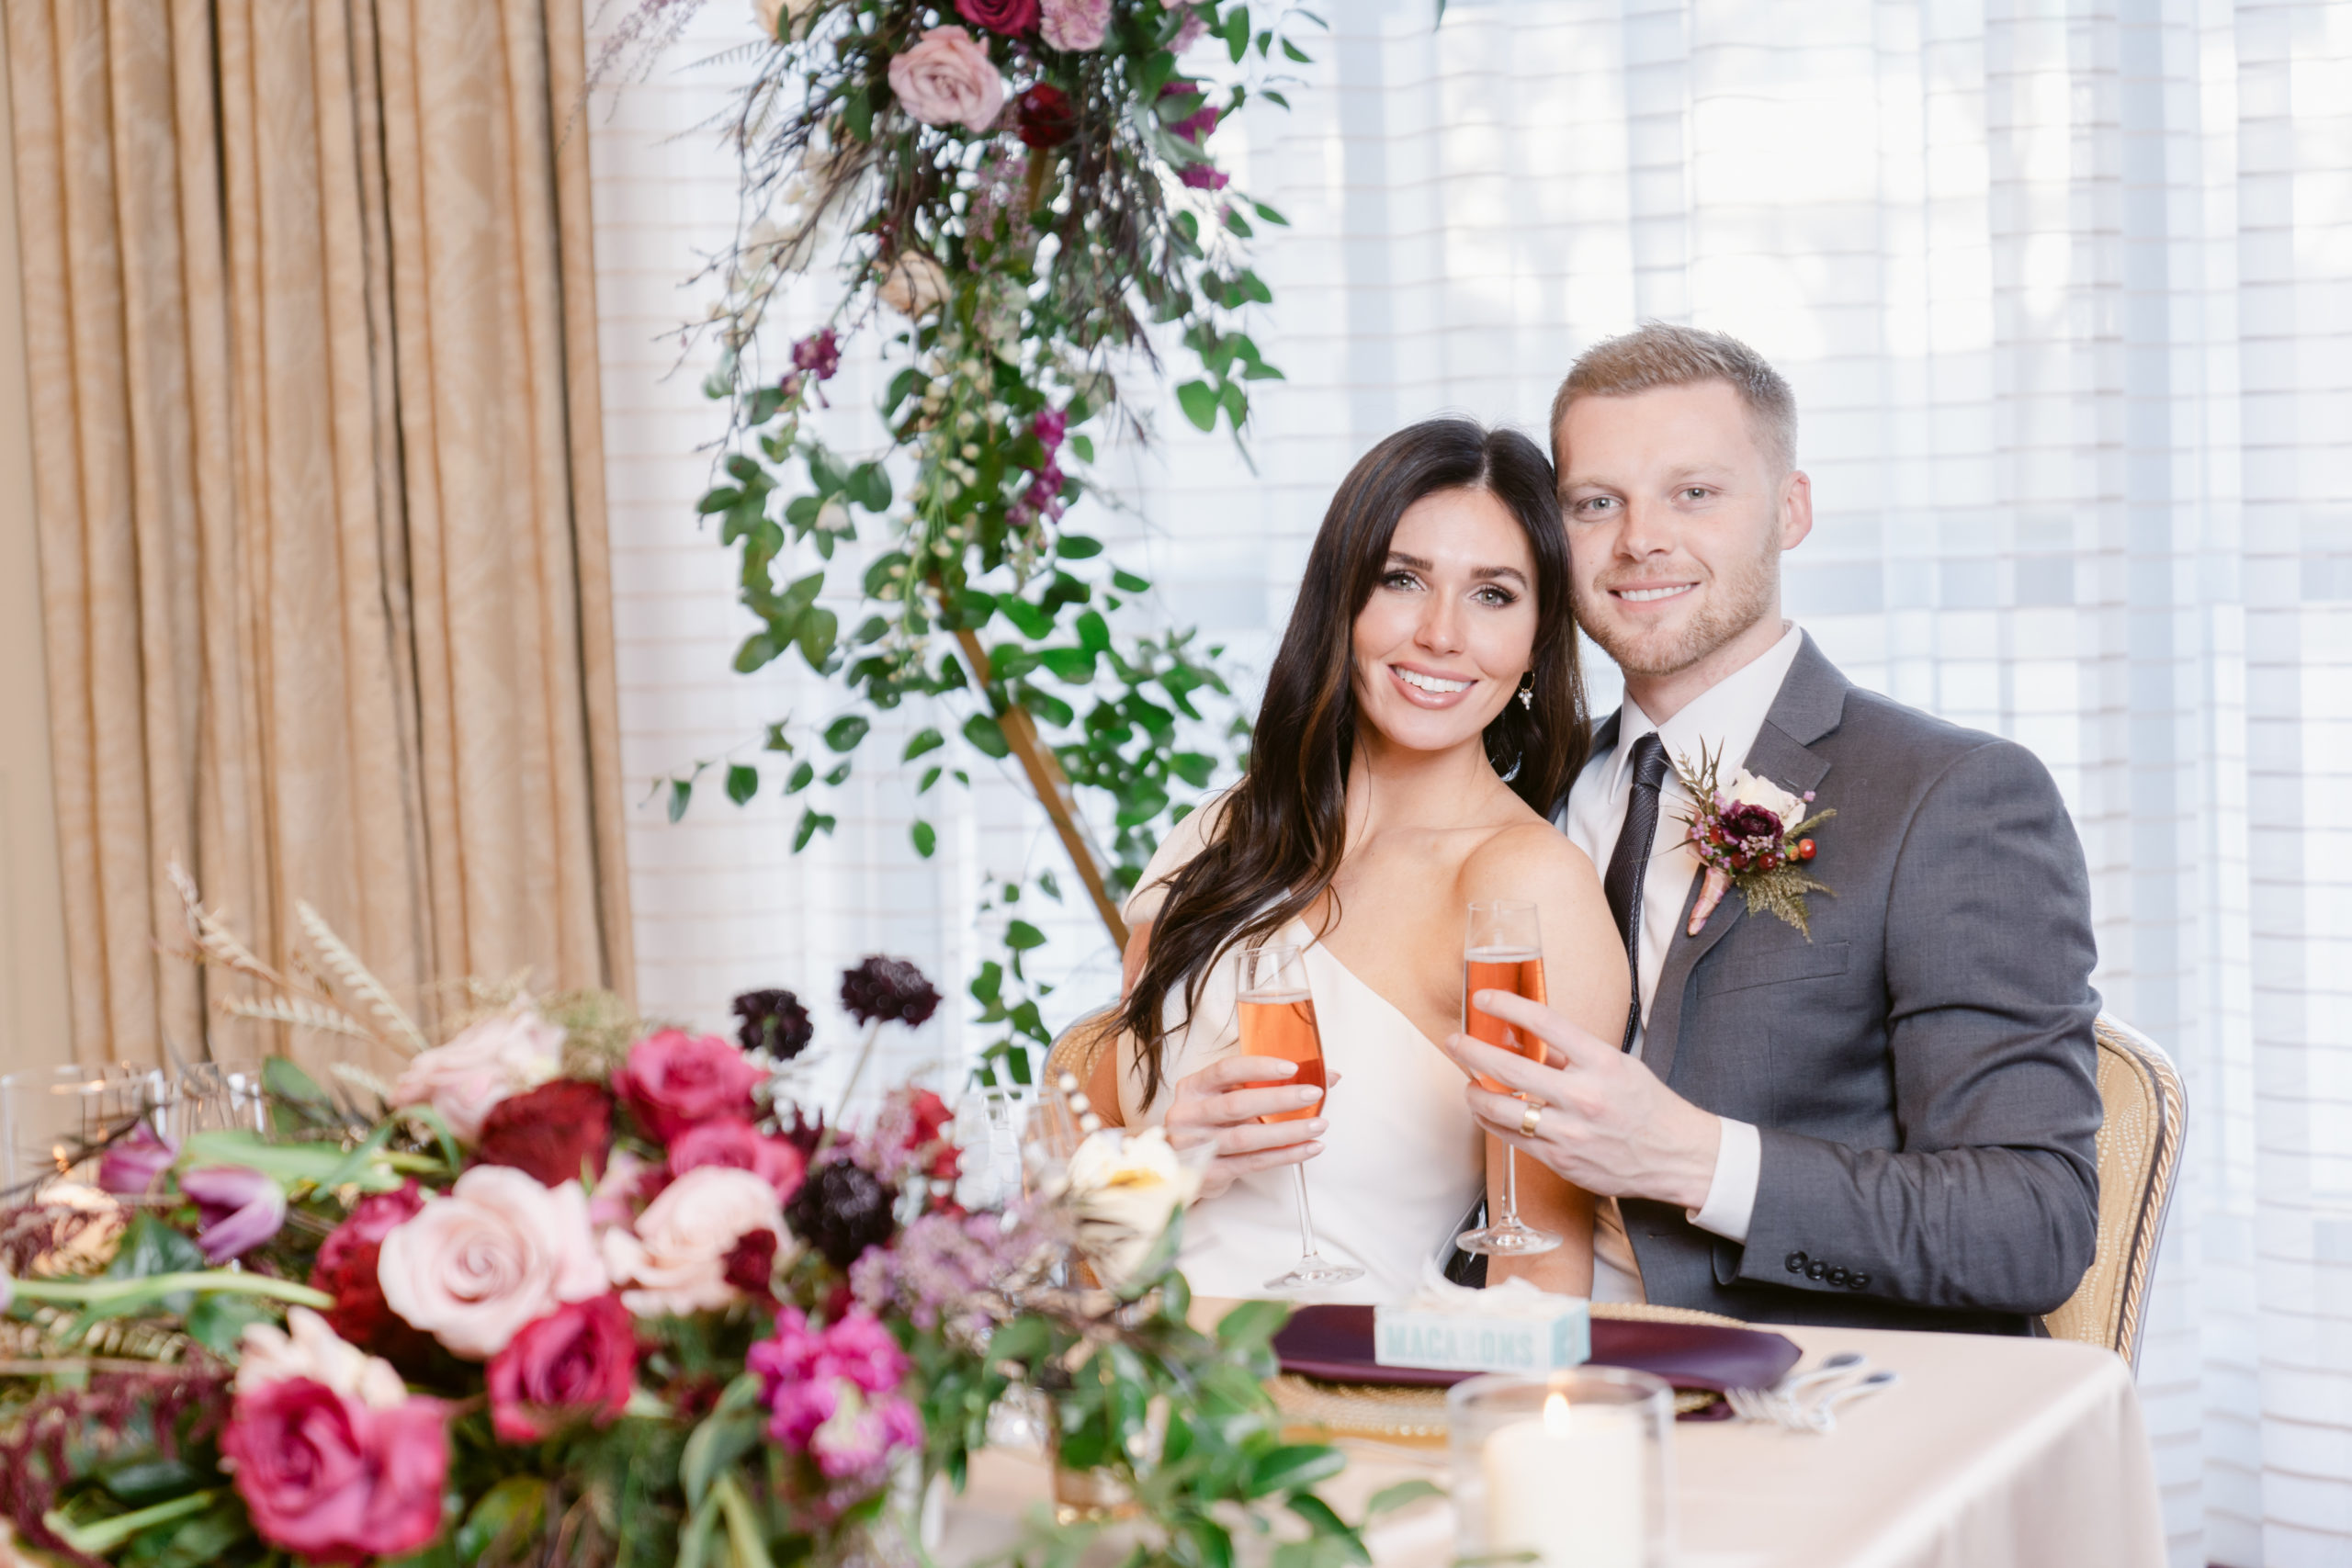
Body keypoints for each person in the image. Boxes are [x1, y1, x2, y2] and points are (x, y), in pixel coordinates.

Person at [1441, 323, 2102, 1333]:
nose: (1638, 541)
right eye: (1595, 503)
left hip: (1810, 1392)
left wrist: (1692, 1160)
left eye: (1693, 493)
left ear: (1790, 511)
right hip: (1517, 1353)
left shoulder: (1952, 796)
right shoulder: (1517, 786)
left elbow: (2028, 1226)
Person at [1097, 417, 1625, 1303]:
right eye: (1402, 579)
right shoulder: (1224, 831)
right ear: (1342, 599)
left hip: (1341, 1396)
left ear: (1538, 639)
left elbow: (1537, 1274)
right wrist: (1172, 1160)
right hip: (1125, 1362)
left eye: (1493, 594)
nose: (1440, 634)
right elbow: (1085, 1189)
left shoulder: (1524, 887)